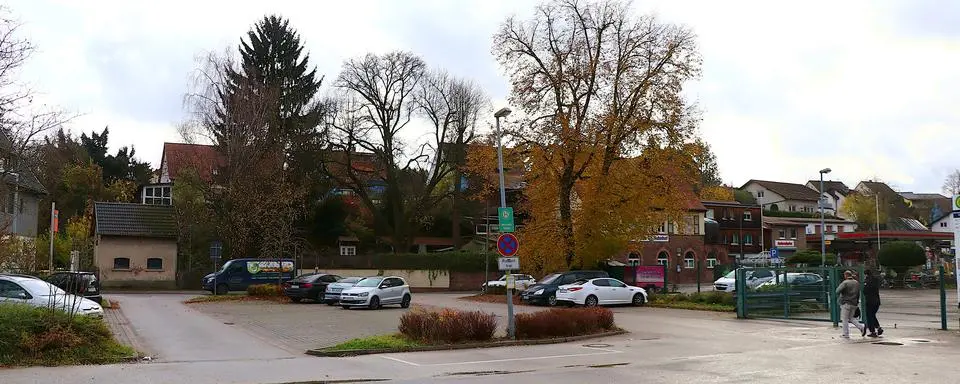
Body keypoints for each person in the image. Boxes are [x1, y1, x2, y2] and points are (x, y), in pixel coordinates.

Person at [836, 270, 865, 338]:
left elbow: (837, 291)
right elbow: (858, 294)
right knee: (851, 318)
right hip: (854, 303)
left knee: (845, 319)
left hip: (846, 303)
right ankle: (861, 327)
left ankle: (845, 334)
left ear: (845, 275)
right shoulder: (856, 283)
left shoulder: (845, 282)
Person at [863, 269, 884, 337]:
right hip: (877, 301)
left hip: (870, 301)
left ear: (866, 274)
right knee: (872, 315)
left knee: (869, 316)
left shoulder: (867, 281)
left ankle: (872, 331)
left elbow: (865, 291)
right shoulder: (875, 279)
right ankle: (878, 328)